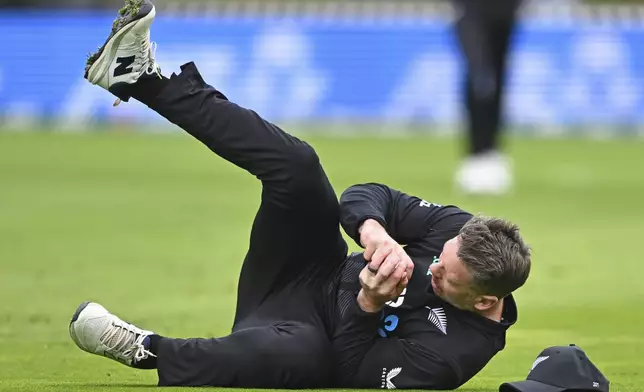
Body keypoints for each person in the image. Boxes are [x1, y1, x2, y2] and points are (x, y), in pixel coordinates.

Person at [70, 0, 532, 389]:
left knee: (305, 357)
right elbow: (370, 194)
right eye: (441, 257)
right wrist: (373, 231)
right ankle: (141, 77)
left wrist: (368, 304)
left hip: (301, 332)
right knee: (299, 166)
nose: (432, 267)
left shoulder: (454, 356)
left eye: (446, 277)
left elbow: (351, 373)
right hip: (306, 265)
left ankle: (146, 350)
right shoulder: (460, 232)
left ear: (483, 302)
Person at [451, 0, 523, 195]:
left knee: (497, 80)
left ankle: (491, 152)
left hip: (503, 10)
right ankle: (476, 155)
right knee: (480, 75)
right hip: (471, 9)